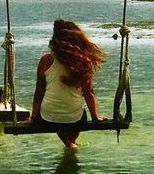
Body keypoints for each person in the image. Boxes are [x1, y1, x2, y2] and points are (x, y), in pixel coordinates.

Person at [24, 19, 108, 149]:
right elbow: (88, 92)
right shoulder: (83, 62)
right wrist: (95, 117)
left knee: (55, 115)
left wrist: (33, 118)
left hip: (48, 117)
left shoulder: (46, 60)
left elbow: (39, 91)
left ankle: (69, 144)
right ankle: (70, 144)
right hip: (75, 117)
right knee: (75, 117)